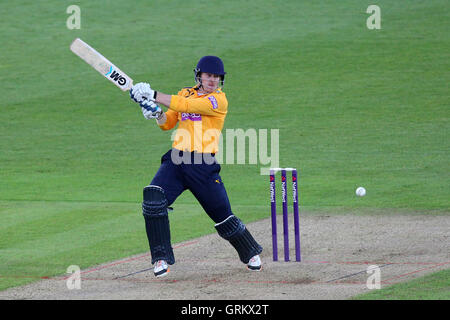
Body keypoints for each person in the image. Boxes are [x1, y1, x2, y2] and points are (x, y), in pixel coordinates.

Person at [129, 56, 263, 277]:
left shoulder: (219, 101)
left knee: (223, 217)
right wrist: (156, 113)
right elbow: (168, 124)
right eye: (209, 76)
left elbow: (189, 106)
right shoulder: (184, 93)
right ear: (199, 76)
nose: (213, 80)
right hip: (176, 160)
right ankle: (161, 258)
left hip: (202, 164)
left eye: (217, 77)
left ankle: (250, 253)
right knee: (153, 199)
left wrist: (152, 95)